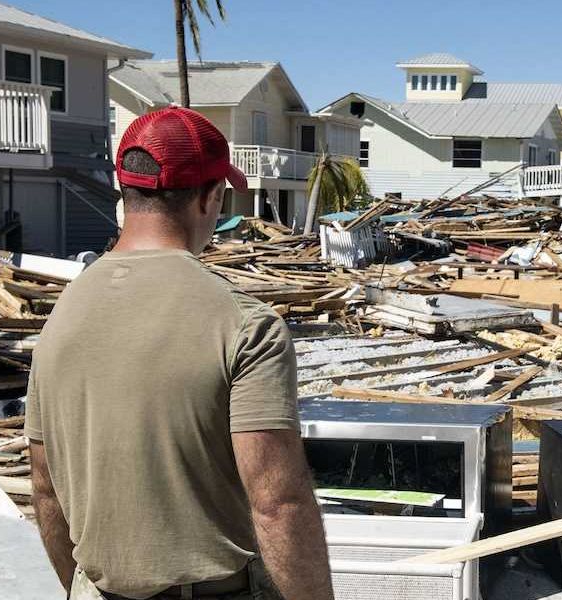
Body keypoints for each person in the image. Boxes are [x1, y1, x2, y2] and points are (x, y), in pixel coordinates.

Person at [27, 107, 334, 600]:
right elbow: (278, 502)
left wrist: (82, 587)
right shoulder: (246, 326)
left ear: (128, 192)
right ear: (211, 198)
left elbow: (46, 491)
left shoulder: (62, 315)